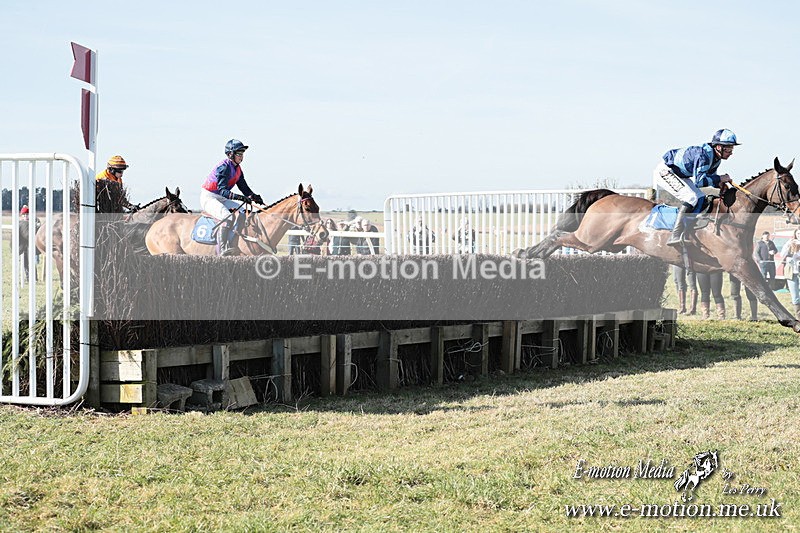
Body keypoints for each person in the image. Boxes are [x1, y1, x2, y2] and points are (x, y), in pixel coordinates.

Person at [654, 129, 738, 247]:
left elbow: (710, 178)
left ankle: (688, 230)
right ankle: (675, 234)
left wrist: (719, 183)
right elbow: (699, 182)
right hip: (666, 172)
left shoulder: (716, 159)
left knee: (701, 197)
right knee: (692, 198)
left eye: (732, 149)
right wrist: (720, 178)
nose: (731, 152)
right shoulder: (703, 155)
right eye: (729, 148)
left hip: (680, 175)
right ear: (719, 147)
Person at [200, 139, 264, 256]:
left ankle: (237, 242)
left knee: (245, 212)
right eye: (239, 154)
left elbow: (244, 188)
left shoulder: (238, 169)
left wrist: (253, 196)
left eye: (242, 154)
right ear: (231, 154)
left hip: (221, 198)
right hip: (209, 197)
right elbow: (222, 191)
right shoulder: (223, 167)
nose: (241, 157)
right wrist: (241, 198)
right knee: (226, 217)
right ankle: (223, 250)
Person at [780, 229, 800, 319]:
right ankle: (799, 318)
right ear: (795, 234)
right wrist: (788, 245)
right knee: (795, 296)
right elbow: (782, 254)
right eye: (798, 233)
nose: (799, 235)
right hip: (791, 272)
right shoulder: (790, 243)